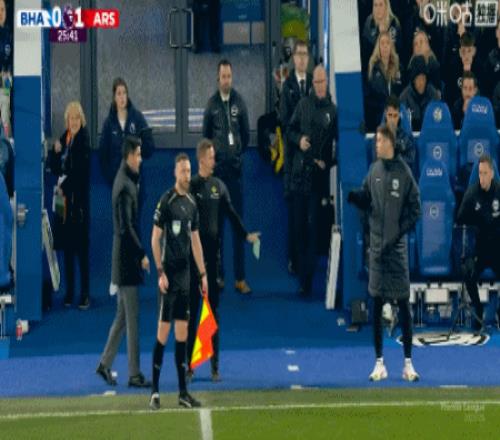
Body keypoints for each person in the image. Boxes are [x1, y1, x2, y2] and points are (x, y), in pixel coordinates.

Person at [348, 126, 421, 382]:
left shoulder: (404, 172)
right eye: (376, 140)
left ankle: (408, 364)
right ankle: (379, 363)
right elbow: (367, 199)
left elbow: (416, 209)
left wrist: (399, 231)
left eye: (379, 140)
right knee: (377, 304)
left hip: (396, 250)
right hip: (377, 249)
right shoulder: (374, 170)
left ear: (390, 142)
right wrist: (356, 198)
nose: (376, 144)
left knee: (403, 304)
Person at [187, 139, 260, 382]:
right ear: (201, 160)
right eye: (210, 157)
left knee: (212, 315)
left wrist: (246, 235)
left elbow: (232, 214)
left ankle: (214, 366)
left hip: (214, 261)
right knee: (192, 314)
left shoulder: (219, 187)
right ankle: (190, 366)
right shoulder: (191, 187)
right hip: (193, 261)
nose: (214, 161)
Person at [149, 153, 208, 410]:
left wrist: (203, 274)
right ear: (175, 173)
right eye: (183, 171)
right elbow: (154, 239)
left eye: (188, 170)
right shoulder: (166, 201)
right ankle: (154, 391)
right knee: (163, 334)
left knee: (182, 335)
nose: (186, 175)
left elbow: (196, 241)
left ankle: (183, 392)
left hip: (185, 277)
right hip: (169, 278)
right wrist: (160, 272)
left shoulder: (192, 204)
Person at [96, 136, 151, 389]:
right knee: (132, 318)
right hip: (126, 261)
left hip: (124, 258)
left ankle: (104, 364)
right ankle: (134, 373)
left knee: (122, 316)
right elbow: (126, 227)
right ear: (129, 156)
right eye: (138, 154)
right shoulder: (125, 186)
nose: (140, 159)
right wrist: (141, 254)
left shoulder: (126, 180)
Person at [287, 65, 338, 297]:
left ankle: (308, 280)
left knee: (314, 227)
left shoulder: (332, 111)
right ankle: (302, 276)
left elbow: (338, 147)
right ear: (312, 83)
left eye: (322, 81)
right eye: (316, 82)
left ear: (326, 82)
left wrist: (328, 162)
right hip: (300, 177)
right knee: (299, 228)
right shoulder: (303, 105)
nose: (319, 85)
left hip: (318, 180)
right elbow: (290, 130)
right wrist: (299, 140)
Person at [202, 59, 251, 294]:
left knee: (237, 226)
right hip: (217, 176)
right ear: (217, 78)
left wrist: (237, 154)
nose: (226, 80)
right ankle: (219, 276)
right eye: (223, 76)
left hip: (235, 175)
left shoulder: (239, 102)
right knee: (217, 229)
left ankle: (240, 278)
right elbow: (205, 138)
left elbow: (246, 135)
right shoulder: (211, 105)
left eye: (229, 76)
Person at [49, 101, 91, 309]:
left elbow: (80, 174)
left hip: (77, 204)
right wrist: (54, 151)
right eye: (70, 118)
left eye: (76, 118)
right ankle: (69, 292)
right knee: (66, 248)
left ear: (81, 120)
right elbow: (55, 168)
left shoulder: (83, 141)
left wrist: (63, 187)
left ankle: (84, 294)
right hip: (61, 202)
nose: (73, 122)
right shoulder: (63, 139)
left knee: (80, 250)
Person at [280, 39, 312, 274]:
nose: (301, 58)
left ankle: (307, 256)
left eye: (304, 54)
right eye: (298, 54)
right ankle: (293, 258)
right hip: (293, 156)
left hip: (310, 156)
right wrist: (298, 138)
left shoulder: (313, 83)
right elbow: (284, 123)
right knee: (294, 214)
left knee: (308, 213)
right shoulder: (288, 87)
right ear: (293, 58)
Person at [457, 154, 500, 331]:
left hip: (497, 248)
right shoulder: (472, 193)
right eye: (480, 173)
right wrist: (475, 218)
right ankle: (478, 308)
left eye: (485, 173)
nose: (482, 177)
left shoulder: (499, 191)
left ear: (492, 174)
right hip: (479, 249)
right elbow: (460, 218)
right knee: (467, 273)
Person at [98, 77, 154, 191]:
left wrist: (140, 149)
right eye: (119, 93)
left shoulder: (137, 118)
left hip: (135, 180)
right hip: (117, 181)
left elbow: (149, 147)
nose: (122, 97)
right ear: (114, 97)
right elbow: (103, 154)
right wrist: (111, 178)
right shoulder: (109, 123)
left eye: (124, 93)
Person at [365, 31, 403, 132]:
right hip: (377, 119)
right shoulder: (372, 68)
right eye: (382, 43)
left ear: (391, 46)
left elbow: (401, 93)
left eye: (387, 43)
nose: (385, 46)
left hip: (396, 119)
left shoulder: (398, 67)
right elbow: (368, 98)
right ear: (378, 47)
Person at [399, 55, 440, 131]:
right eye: (418, 79)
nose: (421, 83)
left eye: (423, 79)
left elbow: (438, 121)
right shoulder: (404, 97)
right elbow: (402, 126)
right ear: (413, 80)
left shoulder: (434, 95)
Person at [361, 0, 402, 74]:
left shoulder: (394, 23)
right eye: (375, 5)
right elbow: (365, 53)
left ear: (386, 6)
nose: (378, 9)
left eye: (380, 5)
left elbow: (399, 51)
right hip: (373, 69)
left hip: (392, 68)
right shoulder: (369, 23)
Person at [380, 95, 416, 175]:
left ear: (399, 115)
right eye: (390, 115)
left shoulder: (407, 137)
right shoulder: (378, 138)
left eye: (395, 115)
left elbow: (411, 160)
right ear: (385, 114)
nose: (392, 120)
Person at [0, 0, 12, 137]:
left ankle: (6, 141)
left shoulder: (9, 33)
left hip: (5, 78)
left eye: (2, 9)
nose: (0, 13)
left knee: (5, 112)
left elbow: (11, 57)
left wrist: (8, 70)